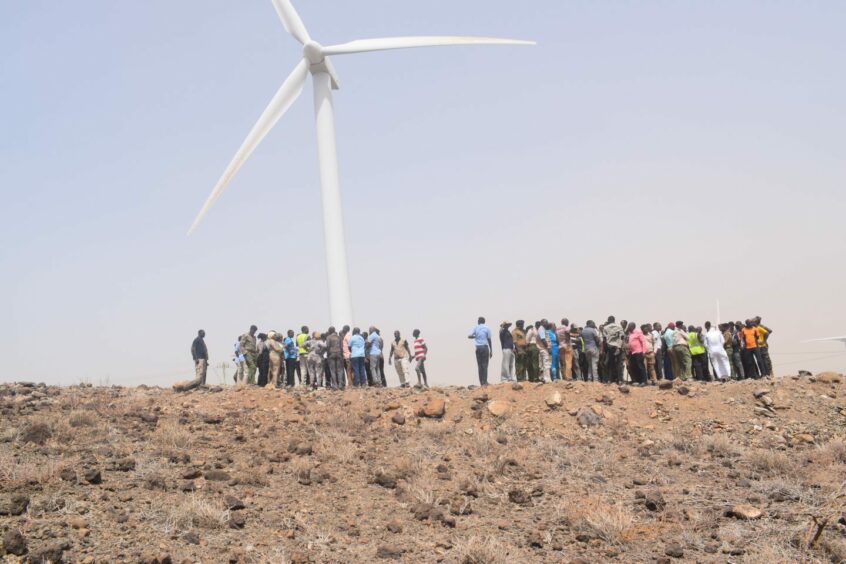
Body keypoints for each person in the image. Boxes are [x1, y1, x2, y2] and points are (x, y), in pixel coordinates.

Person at [468, 317, 492, 386]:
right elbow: (489, 339)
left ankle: (481, 382)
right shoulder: (487, 328)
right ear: (484, 322)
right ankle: (485, 382)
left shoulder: (476, 328)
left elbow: (469, 336)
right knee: (485, 365)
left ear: (479, 321)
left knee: (480, 365)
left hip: (478, 348)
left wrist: (475, 336)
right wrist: (491, 350)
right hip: (485, 348)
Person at [602, 316, 624, 384]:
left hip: (610, 347)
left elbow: (604, 339)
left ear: (608, 320)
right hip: (618, 347)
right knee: (619, 364)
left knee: (611, 364)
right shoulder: (619, 327)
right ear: (614, 320)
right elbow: (622, 337)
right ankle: (620, 380)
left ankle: (610, 380)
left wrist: (605, 349)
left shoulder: (605, 328)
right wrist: (620, 345)